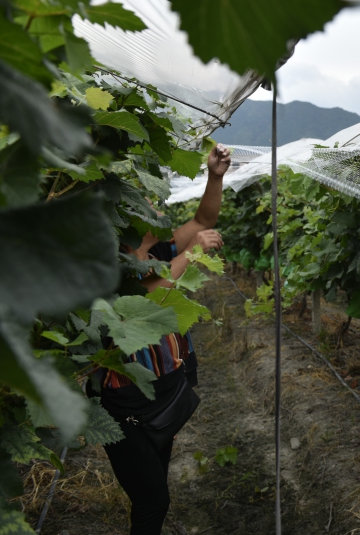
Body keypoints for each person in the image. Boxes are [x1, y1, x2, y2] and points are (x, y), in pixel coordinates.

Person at [93, 144, 231, 535]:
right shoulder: (112, 264)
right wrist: (193, 254)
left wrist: (215, 176)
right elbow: (147, 296)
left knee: (154, 487)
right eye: (148, 201)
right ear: (130, 219)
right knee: (154, 500)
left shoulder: (159, 249)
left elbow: (204, 218)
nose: (157, 205)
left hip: (164, 391)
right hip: (127, 405)